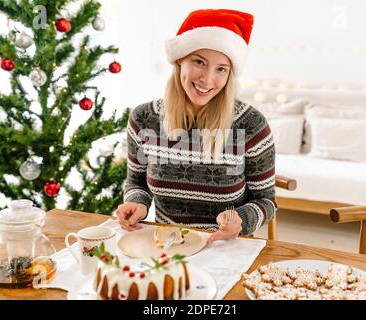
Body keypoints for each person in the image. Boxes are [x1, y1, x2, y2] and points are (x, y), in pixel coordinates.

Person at [115, 9, 276, 244]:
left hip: (224, 248)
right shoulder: (144, 119)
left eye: (221, 68)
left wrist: (241, 218)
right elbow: (136, 182)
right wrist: (137, 202)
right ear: (180, 61)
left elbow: (266, 201)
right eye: (199, 62)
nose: (207, 79)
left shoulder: (251, 125)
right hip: (166, 247)